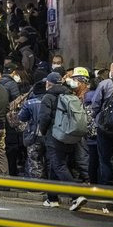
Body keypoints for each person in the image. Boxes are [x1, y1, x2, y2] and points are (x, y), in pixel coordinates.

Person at [38, 72, 87, 211]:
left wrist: (42, 132)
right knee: (55, 165)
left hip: (54, 136)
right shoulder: (70, 94)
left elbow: (44, 118)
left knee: (58, 165)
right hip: (69, 135)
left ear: (48, 83)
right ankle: (52, 198)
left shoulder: (48, 97)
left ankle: (76, 196)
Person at [18, 80, 47, 179]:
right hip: (49, 135)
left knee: (34, 160)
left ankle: (36, 184)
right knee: (47, 160)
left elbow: (22, 117)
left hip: (33, 134)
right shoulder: (51, 101)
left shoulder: (29, 103)